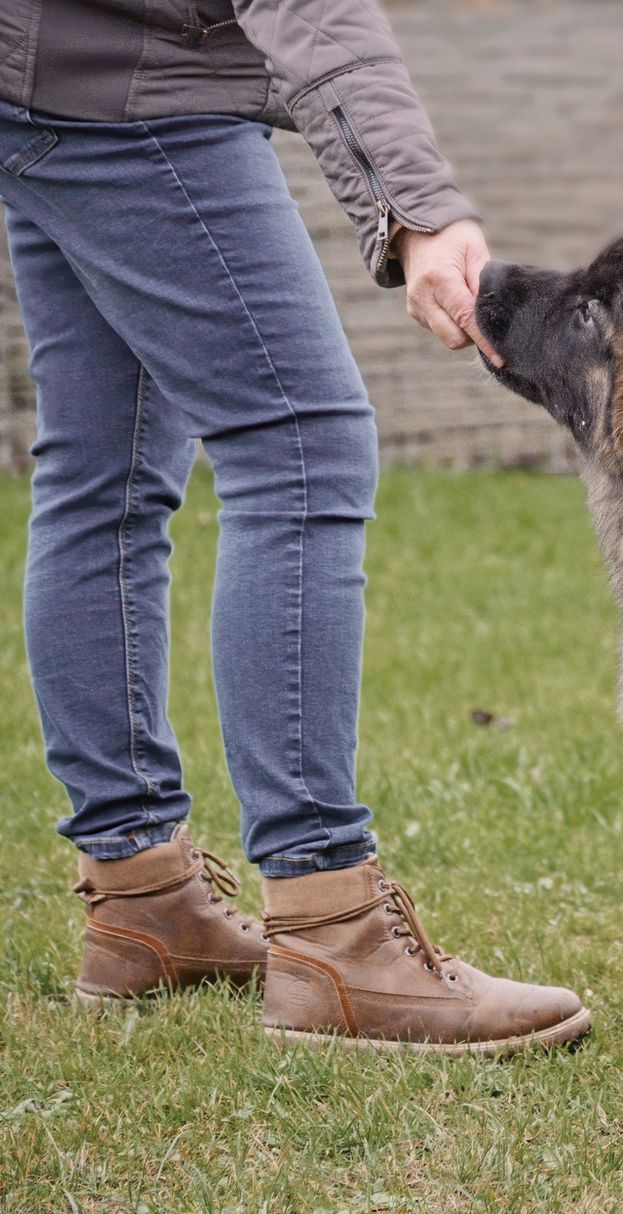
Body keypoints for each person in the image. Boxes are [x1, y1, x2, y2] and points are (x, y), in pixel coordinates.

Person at [0, 0, 590, 1054]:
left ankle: (141, 897)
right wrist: (415, 206)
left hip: (43, 81)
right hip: (140, 95)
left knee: (104, 470)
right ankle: (332, 931)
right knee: (301, 442)